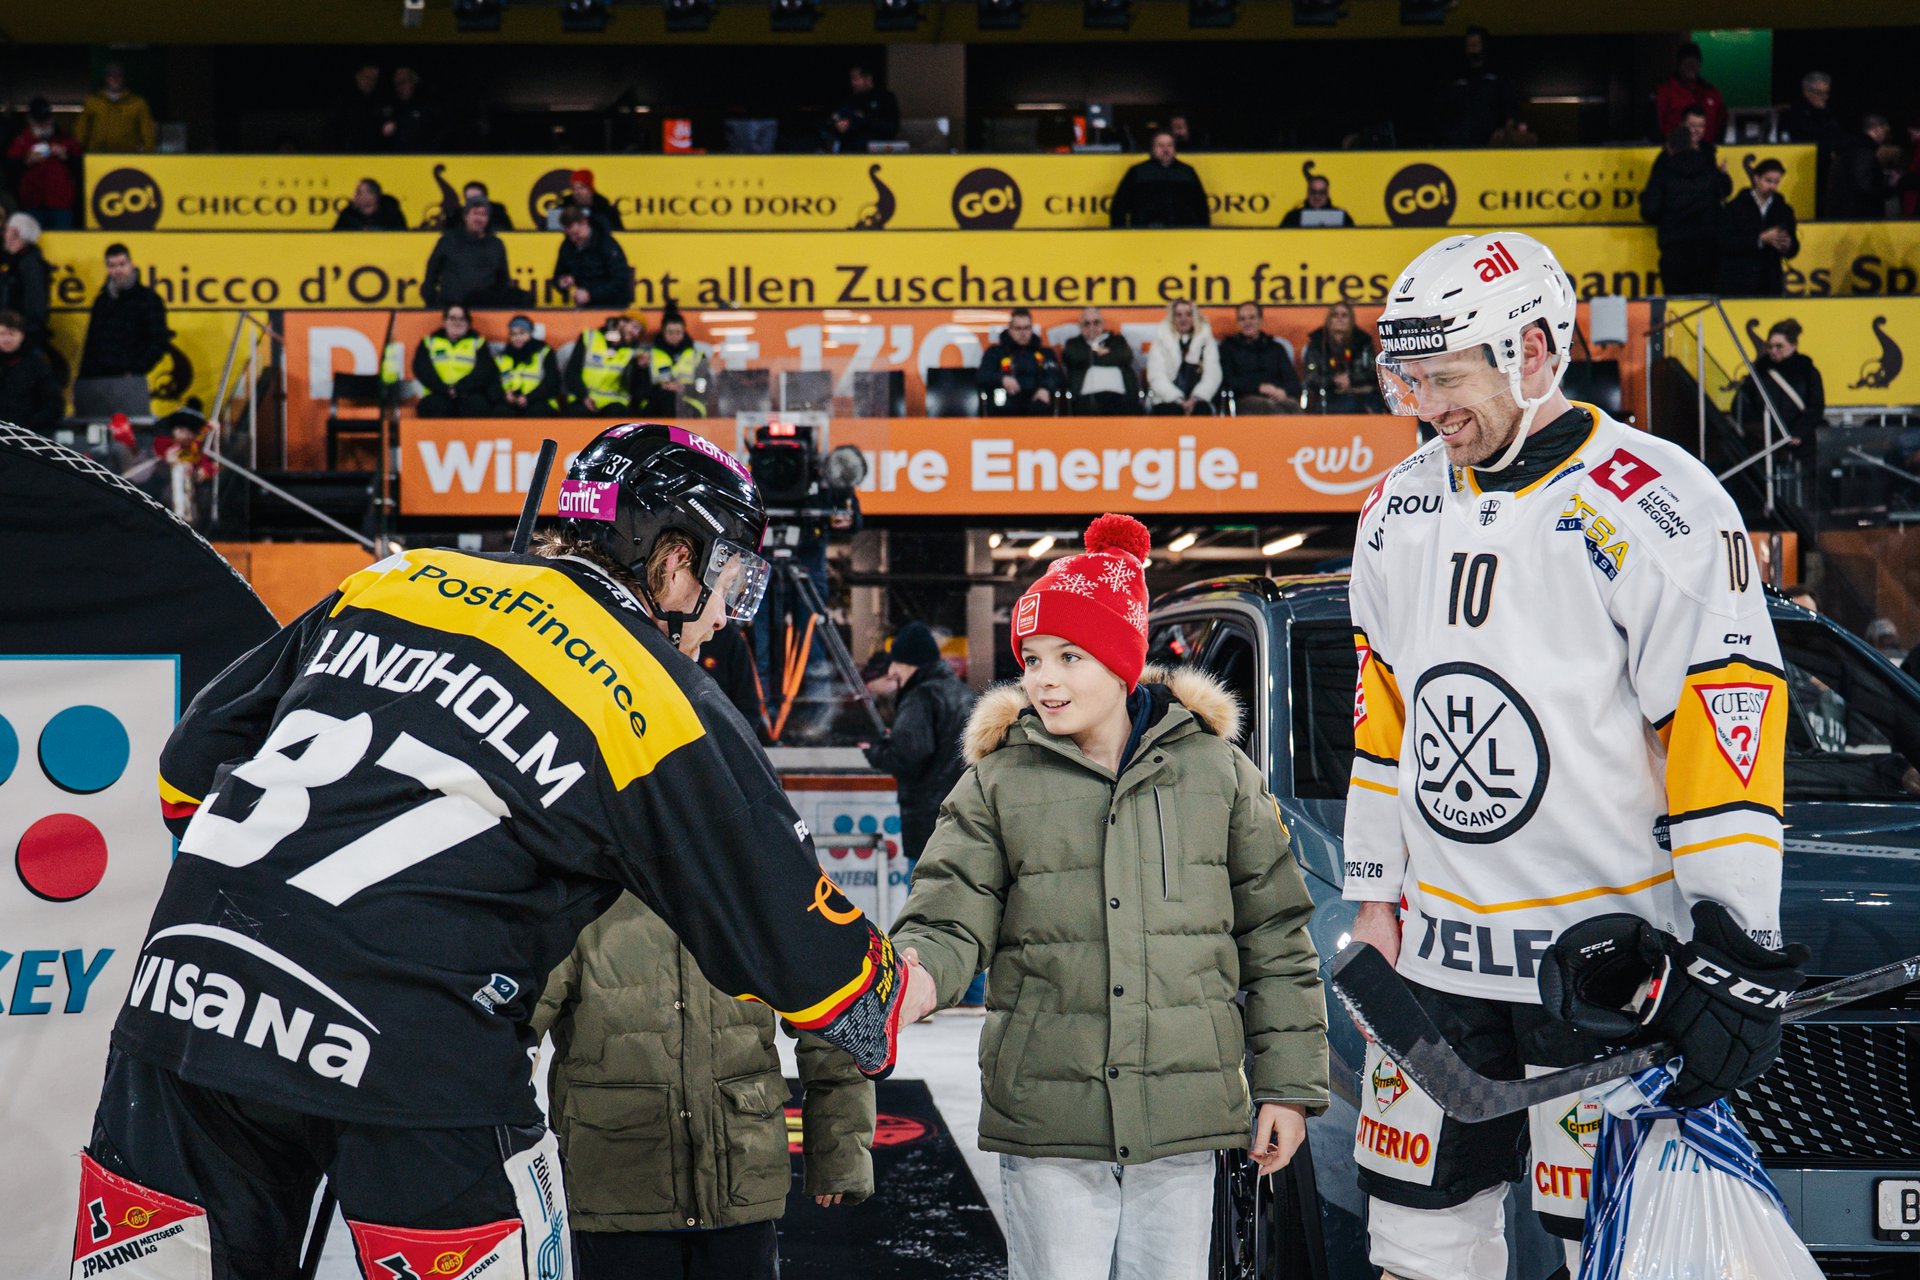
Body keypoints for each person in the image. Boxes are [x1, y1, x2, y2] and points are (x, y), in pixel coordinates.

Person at [76, 423, 934, 1280]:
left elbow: (187, 772)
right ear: (677, 560)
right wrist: (901, 991)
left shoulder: (399, 579)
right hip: (413, 1052)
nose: (719, 619)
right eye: (728, 581)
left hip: (181, 1002)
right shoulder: (657, 694)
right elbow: (815, 963)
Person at [1348, 230, 1798, 1280]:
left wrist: (1735, 937)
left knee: (1609, 1240)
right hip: (1439, 954)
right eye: (1410, 378)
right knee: (1413, 1235)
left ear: (1535, 352)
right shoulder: (1394, 507)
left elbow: (1724, 723)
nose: (1426, 404)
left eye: (1447, 377)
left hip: (1605, 961)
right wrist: (1373, 895)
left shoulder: (1661, 501)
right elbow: (1386, 716)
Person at [890, 512, 1329, 1280]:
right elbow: (949, 906)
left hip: (1183, 1117)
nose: (1044, 679)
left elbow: (1276, 936)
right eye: (1032, 658)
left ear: (1123, 662)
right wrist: (915, 976)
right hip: (1051, 1118)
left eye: (1070, 656)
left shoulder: (1217, 774)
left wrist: (1287, 1088)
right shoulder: (999, 782)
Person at [535, 891, 873, 1280]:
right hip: (619, 1189)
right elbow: (510, 1030)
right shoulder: (577, 894)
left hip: (739, 1179)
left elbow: (834, 1023)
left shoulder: (762, 887)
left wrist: (840, 1151)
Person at [861, 621, 975, 872]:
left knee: (923, 890)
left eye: (896, 663)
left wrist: (873, 749)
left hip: (929, 823)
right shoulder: (962, 693)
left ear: (911, 663)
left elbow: (908, 755)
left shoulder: (920, 696)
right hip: (964, 820)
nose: (892, 670)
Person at [1639, 111, 1731, 295]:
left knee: (1677, 303)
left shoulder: (1663, 171)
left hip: (1675, 247)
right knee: (1705, 303)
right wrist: (1723, 176)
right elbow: (1724, 191)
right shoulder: (1709, 167)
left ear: (1670, 147)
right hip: (1707, 246)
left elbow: (1650, 210)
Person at [1733, 319, 1825, 498]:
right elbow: (1741, 402)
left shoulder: (1807, 371)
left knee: (1799, 489)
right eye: (1770, 346)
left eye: (1779, 346)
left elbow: (1816, 407)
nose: (1773, 351)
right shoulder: (1760, 370)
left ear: (1793, 345)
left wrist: (1798, 433)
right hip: (1764, 443)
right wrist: (1757, 430)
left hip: (1798, 445)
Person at [78, 243, 170, 380]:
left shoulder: (148, 299)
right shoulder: (102, 301)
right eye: (112, 265)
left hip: (130, 379)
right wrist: (83, 380)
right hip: (98, 380)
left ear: (131, 264)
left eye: (122, 264)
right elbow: (91, 343)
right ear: (107, 268)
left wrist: (136, 371)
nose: (118, 270)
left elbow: (159, 341)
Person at [1719, 158, 1800, 297]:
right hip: (1739, 280)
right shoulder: (1735, 207)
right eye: (1768, 181)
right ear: (1756, 178)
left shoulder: (1784, 210)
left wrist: (1788, 245)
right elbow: (1725, 242)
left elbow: (1793, 247)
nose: (1773, 186)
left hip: (1770, 282)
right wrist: (1760, 239)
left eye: (1776, 182)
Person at [422, 198, 518, 308]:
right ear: (465, 216)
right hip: (452, 308)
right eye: (475, 213)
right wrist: (433, 304)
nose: (479, 218)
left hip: (486, 308)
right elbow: (431, 273)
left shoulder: (496, 244)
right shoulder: (448, 241)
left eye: (483, 214)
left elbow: (503, 279)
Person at [412, 304, 504, 418]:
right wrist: (444, 389)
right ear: (444, 321)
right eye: (452, 318)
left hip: (468, 393)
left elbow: (483, 370)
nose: (457, 322)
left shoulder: (477, 342)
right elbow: (422, 369)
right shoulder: (429, 342)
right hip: (437, 392)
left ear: (468, 323)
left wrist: (459, 388)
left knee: (478, 405)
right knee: (433, 406)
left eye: (462, 319)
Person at [5, 99, 82, 230]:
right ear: (30, 120)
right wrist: (26, 161)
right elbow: (9, 167)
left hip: (61, 206)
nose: (43, 124)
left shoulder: (65, 139)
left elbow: (82, 166)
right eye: (38, 121)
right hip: (32, 204)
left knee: (62, 238)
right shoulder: (21, 140)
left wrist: (66, 157)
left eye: (46, 120)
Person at [1108, 132, 1211, 230]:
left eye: (1169, 145)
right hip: (1145, 233)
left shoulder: (1187, 172)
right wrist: (1120, 233)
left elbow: (1201, 207)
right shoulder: (1138, 172)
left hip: (1184, 233)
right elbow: (1119, 206)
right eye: (1161, 145)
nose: (1166, 149)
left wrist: (1203, 232)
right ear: (1153, 149)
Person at [975, 308, 1064, 415]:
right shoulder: (995, 352)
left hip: (1037, 403)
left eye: (1027, 328)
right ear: (1010, 329)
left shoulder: (1045, 353)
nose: (1023, 333)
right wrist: (1002, 379)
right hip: (1005, 405)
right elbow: (982, 376)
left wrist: (1045, 388)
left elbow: (1056, 376)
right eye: (1018, 328)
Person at [1219, 301, 1302, 414]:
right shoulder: (1228, 348)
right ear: (1238, 322)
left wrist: (1283, 392)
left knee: (1293, 407)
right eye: (1242, 319)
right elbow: (1229, 380)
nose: (1247, 322)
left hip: (1278, 396)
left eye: (1252, 318)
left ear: (1260, 320)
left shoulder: (1276, 348)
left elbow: (1292, 380)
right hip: (1245, 398)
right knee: (1269, 407)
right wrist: (1259, 388)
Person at [1439, 26, 1516, 147]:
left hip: (1492, 146)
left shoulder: (1498, 78)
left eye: (1475, 45)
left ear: (1484, 46)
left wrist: (1504, 134)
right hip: (1460, 146)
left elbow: (1510, 112)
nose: (1472, 50)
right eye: (1469, 46)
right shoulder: (1456, 79)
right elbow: (1445, 113)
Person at [1301, 300, 1379, 413]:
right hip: (1326, 395)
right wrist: (1334, 381)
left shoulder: (1363, 342)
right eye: (1335, 315)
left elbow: (1373, 373)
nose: (1339, 319)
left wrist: (1351, 379)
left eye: (1344, 315)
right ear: (1329, 320)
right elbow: (1310, 376)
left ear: (1351, 320)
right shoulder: (1317, 342)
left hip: (1360, 393)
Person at [1146, 299, 1220, 416]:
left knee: (1201, 410)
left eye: (1188, 314)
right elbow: (1156, 376)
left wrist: (1196, 398)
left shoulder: (1206, 340)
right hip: (1166, 399)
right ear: (1172, 318)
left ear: (1194, 317)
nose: (1183, 319)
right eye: (1178, 315)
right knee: (1171, 410)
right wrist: (1177, 399)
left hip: (1199, 399)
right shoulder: (1160, 341)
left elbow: (1213, 375)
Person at [1060, 307, 1140, 415]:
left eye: (1096, 322)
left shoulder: (1117, 340)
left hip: (1120, 396)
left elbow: (1125, 356)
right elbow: (1074, 357)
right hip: (1086, 397)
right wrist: (1104, 353)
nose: (1091, 327)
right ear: (1080, 326)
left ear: (1103, 323)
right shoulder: (1073, 343)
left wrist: (1091, 356)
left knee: (1130, 409)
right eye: (1086, 324)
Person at [553, 206, 635, 308]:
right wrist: (562, 282)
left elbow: (620, 279)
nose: (573, 239)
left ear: (585, 223)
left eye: (576, 233)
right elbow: (558, 275)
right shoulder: (567, 247)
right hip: (586, 307)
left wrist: (591, 294)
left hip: (613, 305)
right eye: (569, 235)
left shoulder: (606, 243)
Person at [566, 312, 645, 415]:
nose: (636, 333)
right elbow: (572, 373)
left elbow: (633, 387)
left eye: (639, 331)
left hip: (614, 404)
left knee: (619, 412)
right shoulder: (590, 337)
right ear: (622, 322)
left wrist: (640, 369)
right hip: (583, 398)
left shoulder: (635, 352)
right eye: (635, 327)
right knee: (576, 412)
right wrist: (584, 397)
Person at [0, 308, 62, 434]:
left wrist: (29, 426)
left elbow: (53, 403)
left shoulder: (36, 366)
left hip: (28, 434)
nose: (7, 339)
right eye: (2, 334)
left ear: (22, 335)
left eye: (12, 334)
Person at [76, 61, 157, 154]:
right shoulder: (93, 103)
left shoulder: (138, 103)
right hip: (98, 155)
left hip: (128, 156)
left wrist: (148, 151)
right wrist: (77, 151)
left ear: (124, 78)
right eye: (111, 76)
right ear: (106, 78)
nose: (115, 79)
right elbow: (82, 129)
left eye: (119, 76)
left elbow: (147, 131)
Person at [1655, 42, 1727, 143]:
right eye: (1687, 62)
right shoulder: (1665, 92)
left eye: (1695, 62)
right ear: (1679, 64)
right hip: (1676, 150)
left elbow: (1722, 122)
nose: (1691, 66)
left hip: (1707, 150)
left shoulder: (1712, 93)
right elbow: (1656, 126)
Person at [0, 212, 52, 353]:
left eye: (7, 230)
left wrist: (24, 335)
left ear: (15, 233)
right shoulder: (15, 261)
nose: (4, 234)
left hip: (22, 340)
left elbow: (35, 305)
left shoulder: (29, 264)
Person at [494, 314, 564, 417]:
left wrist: (528, 398)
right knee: (501, 411)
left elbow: (552, 383)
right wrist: (505, 395)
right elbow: (494, 382)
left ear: (530, 333)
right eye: (513, 334)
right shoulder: (502, 357)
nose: (517, 337)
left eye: (522, 333)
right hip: (511, 402)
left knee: (536, 411)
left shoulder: (544, 353)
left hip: (540, 400)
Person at [1828, 113, 1894, 220]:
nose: (1885, 136)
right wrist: (1889, 189)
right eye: (1885, 131)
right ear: (1877, 129)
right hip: (1858, 216)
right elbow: (1864, 185)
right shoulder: (1863, 151)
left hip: (1844, 214)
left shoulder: (1850, 148)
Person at [646, 309, 709, 417]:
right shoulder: (649, 356)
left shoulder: (697, 356)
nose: (674, 336)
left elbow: (705, 385)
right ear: (663, 332)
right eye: (670, 332)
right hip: (657, 403)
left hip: (690, 404)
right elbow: (641, 387)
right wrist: (661, 388)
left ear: (684, 332)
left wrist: (685, 388)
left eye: (678, 332)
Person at [830, 63, 899, 153]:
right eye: (851, 79)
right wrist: (839, 126)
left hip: (877, 151)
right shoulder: (849, 100)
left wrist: (863, 120)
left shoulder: (886, 98)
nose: (853, 83)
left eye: (856, 79)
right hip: (850, 152)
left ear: (868, 79)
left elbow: (891, 129)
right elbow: (837, 118)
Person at [326, 63, 387, 152]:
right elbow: (332, 131)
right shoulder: (343, 101)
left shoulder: (378, 102)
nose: (371, 82)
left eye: (374, 79)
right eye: (367, 77)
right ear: (358, 76)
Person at [381, 65, 444, 152]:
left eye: (403, 82)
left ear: (414, 81)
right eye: (397, 84)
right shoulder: (392, 108)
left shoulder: (430, 105)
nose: (400, 87)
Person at [556, 168, 624, 232]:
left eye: (582, 187)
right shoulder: (564, 206)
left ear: (590, 189)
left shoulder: (605, 209)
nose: (577, 192)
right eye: (574, 188)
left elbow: (619, 233)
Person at [1280, 171, 1354, 228]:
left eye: (1322, 192)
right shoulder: (1292, 217)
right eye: (1313, 192)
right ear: (1308, 193)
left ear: (1327, 193)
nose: (1317, 196)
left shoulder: (1343, 217)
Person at [332, 177, 407, 231]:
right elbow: (336, 237)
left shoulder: (392, 214)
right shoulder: (348, 215)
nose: (355, 196)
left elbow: (402, 236)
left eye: (359, 192)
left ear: (372, 196)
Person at [445, 180, 513, 232]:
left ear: (485, 197)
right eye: (469, 199)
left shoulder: (497, 212)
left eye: (476, 198)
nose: (473, 201)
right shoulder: (458, 214)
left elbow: (506, 230)